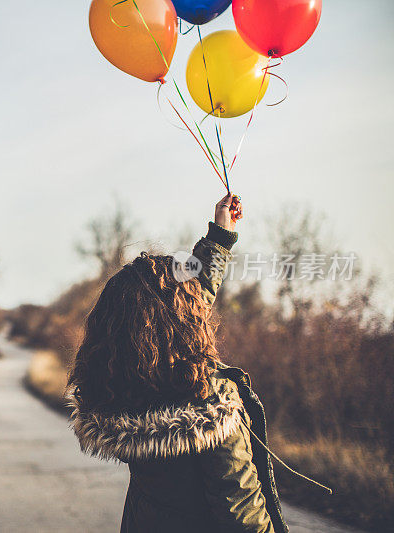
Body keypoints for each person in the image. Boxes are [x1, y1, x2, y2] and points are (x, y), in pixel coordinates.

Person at [67, 194, 288, 533]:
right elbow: (241, 512)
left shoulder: (120, 384)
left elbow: (183, 306)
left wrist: (220, 237)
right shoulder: (206, 401)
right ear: (182, 322)